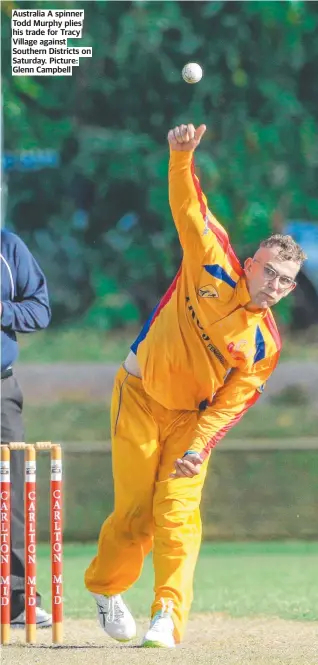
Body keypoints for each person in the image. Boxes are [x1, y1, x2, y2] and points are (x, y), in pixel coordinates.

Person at [84, 123, 306, 648]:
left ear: (293, 287)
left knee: (178, 513)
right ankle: (105, 588)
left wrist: (199, 446)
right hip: (138, 396)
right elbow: (189, 207)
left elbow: (232, 404)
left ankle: (167, 613)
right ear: (251, 263)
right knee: (136, 516)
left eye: (285, 281)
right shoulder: (211, 260)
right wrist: (180, 156)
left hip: (191, 421)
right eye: (269, 272)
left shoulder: (264, 344)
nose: (273, 286)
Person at [1, 228, 52, 627]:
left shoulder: (8, 246)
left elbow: (39, 310)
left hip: (1, 389)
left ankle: (17, 600)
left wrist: (3, 310)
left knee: (11, 493)